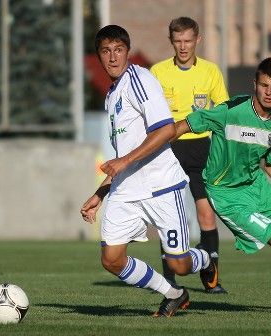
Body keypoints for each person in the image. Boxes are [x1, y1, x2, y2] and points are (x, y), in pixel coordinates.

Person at [80, 24, 217, 318]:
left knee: (179, 264)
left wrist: (125, 162)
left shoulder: (140, 79)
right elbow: (122, 155)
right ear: (99, 56)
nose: (113, 57)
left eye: (118, 50)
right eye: (106, 51)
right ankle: (173, 293)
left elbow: (166, 129)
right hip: (126, 190)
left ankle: (206, 257)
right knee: (111, 259)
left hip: (161, 186)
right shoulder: (112, 94)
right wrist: (101, 192)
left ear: (128, 53)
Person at [150, 17, 229, 293]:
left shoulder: (211, 71)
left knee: (206, 214)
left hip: (201, 149)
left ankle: (212, 279)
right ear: (171, 41)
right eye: (178, 41)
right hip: (167, 149)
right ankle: (169, 278)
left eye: (188, 41)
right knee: (167, 214)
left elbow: (223, 111)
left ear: (198, 40)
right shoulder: (158, 72)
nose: (183, 47)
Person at [174, 57, 271, 256]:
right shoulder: (231, 111)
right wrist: (150, 147)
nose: (269, 92)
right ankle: (202, 258)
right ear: (255, 85)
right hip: (226, 193)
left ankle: (204, 258)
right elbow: (182, 126)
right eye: (264, 85)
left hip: (257, 186)